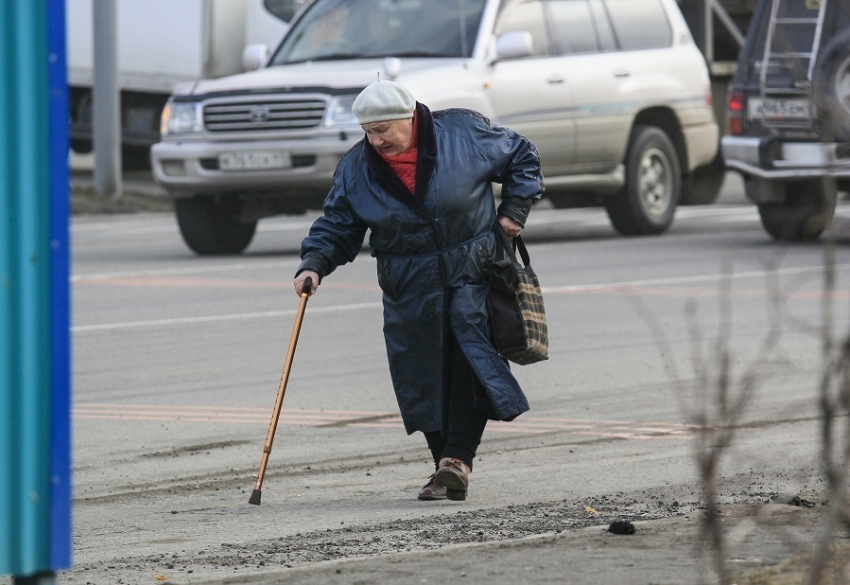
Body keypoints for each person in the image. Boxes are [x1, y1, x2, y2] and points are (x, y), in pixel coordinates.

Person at [293, 79, 543, 501]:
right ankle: (443, 468)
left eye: (384, 130)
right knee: (421, 374)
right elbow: (338, 224)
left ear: (409, 118)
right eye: (369, 132)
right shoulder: (357, 168)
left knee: (471, 357)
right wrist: (314, 264)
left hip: (473, 267)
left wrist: (513, 212)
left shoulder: (463, 134)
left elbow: (522, 155)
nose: (376, 141)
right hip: (408, 281)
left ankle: (456, 460)